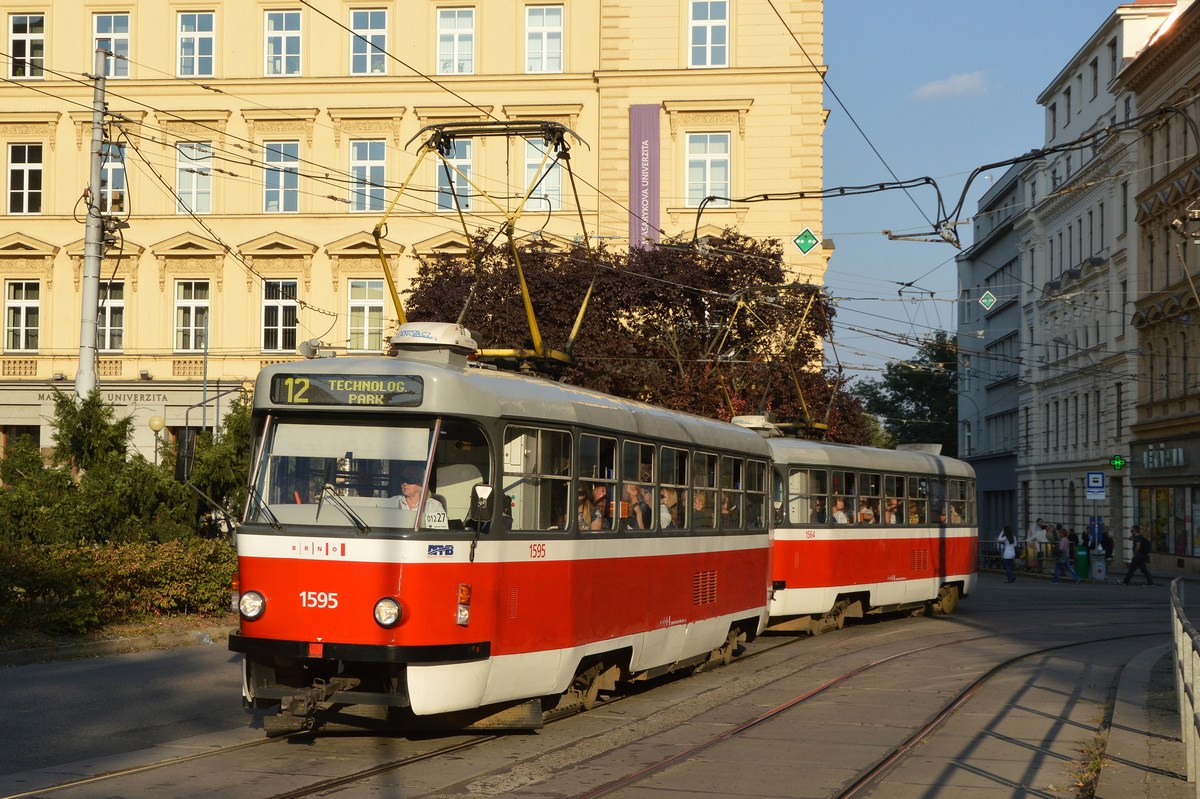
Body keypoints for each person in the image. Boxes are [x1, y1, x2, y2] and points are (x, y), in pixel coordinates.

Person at [397, 464, 449, 529]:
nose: (404, 483)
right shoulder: (393, 501)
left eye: (409, 480)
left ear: (421, 483)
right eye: (403, 480)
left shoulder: (433, 506)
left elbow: (440, 532)